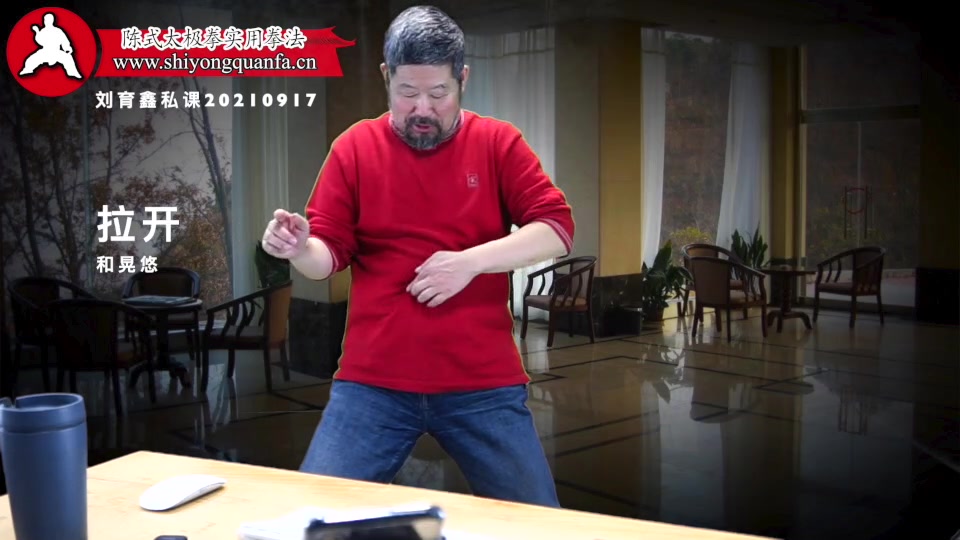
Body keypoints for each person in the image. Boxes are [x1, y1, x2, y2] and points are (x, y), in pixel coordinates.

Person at [261, 5, 574, 508]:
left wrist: (468, 262)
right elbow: (327, 257)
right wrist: (299, 248)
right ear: (386, 77)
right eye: (407, 93)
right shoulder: (354, 148)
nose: (422, 109)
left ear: (463, 79)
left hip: (483, 383)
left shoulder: (498, 143)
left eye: (438, 93)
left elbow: (556, 229)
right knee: (312, 518)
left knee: (539, 525)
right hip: (373, 384)